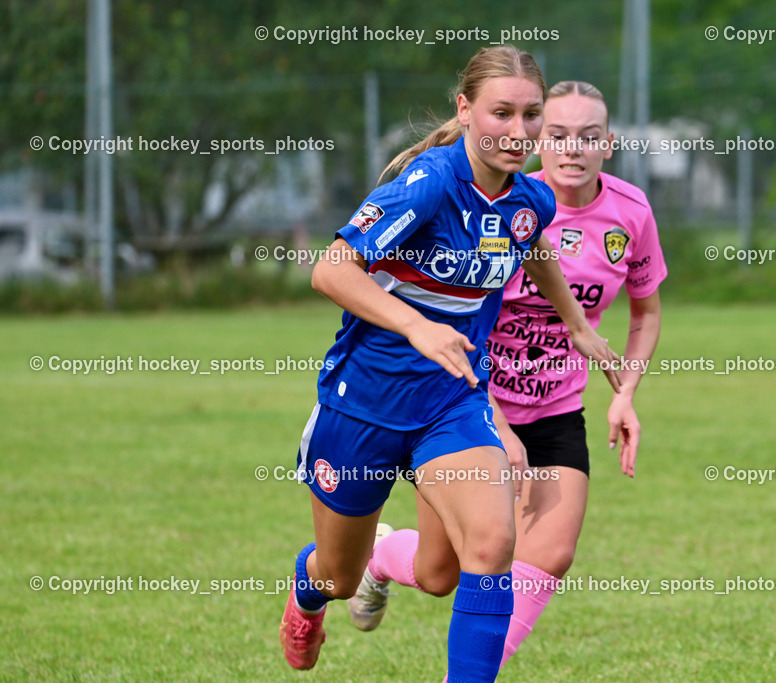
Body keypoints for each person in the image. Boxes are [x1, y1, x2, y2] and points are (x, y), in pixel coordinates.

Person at [277, 48, 621, 683]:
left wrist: (577, 324)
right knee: (339, 573)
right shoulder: (431, 183)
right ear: (465, 110)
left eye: (530, 115)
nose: (519, 133)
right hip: (365, 405)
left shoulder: (529, 199)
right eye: (501, 114)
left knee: (485, 551)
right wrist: (417, 325)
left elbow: (533, 243)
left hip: (452, 402)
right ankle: (309, 588)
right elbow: (331, 268)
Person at [353, 80, 666, 672]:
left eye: (589, 136)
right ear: (537, 137)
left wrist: (625, 394)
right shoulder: (502, 197)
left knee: (550, 554)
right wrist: (494, 422)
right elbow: (458, 321)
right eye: (557, 134)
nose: (572, 148)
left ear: (610, 143)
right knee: (439, 573)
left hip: (555, 409)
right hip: (463, 403)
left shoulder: (631, 212)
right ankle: (379, 558)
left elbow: (646, 311)